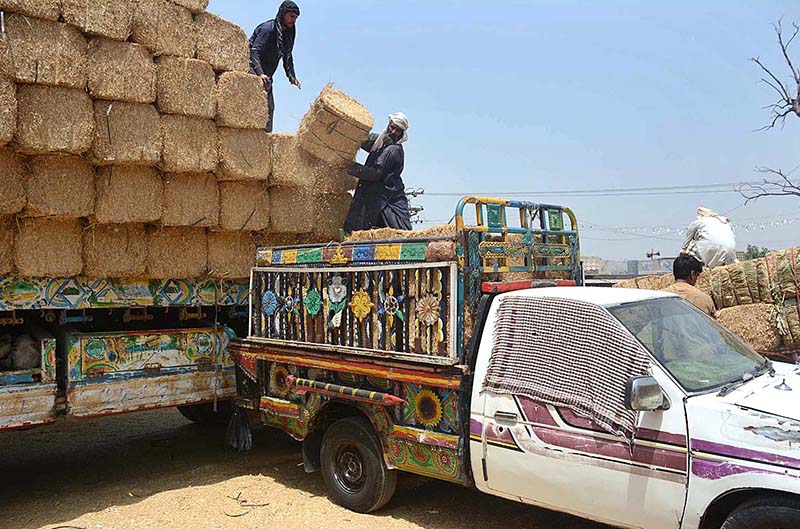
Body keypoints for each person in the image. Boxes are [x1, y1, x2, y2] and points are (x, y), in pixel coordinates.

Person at [343, 113, 413, 233]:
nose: (394, 131)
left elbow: (375, 173)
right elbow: (365, 141)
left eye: (398, 130)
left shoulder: (393, 150)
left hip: (387, 199)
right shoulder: (382, 142)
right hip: (374, 195)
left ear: (402, 133)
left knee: (397, 233)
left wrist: (348, 166)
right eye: (392, 127)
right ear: (388, 126)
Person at [249, 1, 302, 132]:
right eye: (291, 16)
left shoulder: (289, 33)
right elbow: (254, 51)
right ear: (282, 14)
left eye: (295, 18)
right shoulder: (268, 29)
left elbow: (287, 55)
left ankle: (264, 142)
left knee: (269, 107)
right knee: (256, 102)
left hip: (267, 74)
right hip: (251, 67)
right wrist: (260, 74)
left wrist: (292, 76)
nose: (293, 20)